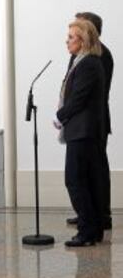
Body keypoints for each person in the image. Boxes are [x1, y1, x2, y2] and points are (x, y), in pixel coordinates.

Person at [54, 19, 106, 247]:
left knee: (75, 181)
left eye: (71, 37)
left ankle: (86, 231)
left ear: (83, 40)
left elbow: (78, 99)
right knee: (85, 181)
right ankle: (93, 231)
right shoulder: (83, 61)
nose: (67, 41)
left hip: (83, 132)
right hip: (83, 131)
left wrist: (59, 115)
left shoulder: (88, 64)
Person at [65, 12, 114, 230]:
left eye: (78, 27)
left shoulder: (99, 56)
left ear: (88, 31)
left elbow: (85, 94)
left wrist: (63, 114)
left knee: (94, 171)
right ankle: (90, 214)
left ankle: (100, 216)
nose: (68, 39)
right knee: (84, 173)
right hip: (80, 122)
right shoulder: (81, 56)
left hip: (92, 122)